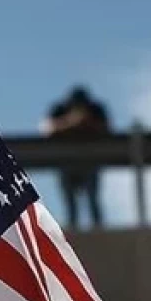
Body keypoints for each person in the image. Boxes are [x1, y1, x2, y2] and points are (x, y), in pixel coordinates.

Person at [44, 86, 109, 229]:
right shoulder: (60, 110)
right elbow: (48, 129)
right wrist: (70, 123)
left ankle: (98, 229)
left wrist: (87, 124)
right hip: (66, 161)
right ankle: (73, 229)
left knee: (92, 198)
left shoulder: (95, 109)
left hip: (90, 160)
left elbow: (106, 130)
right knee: (70, 203)